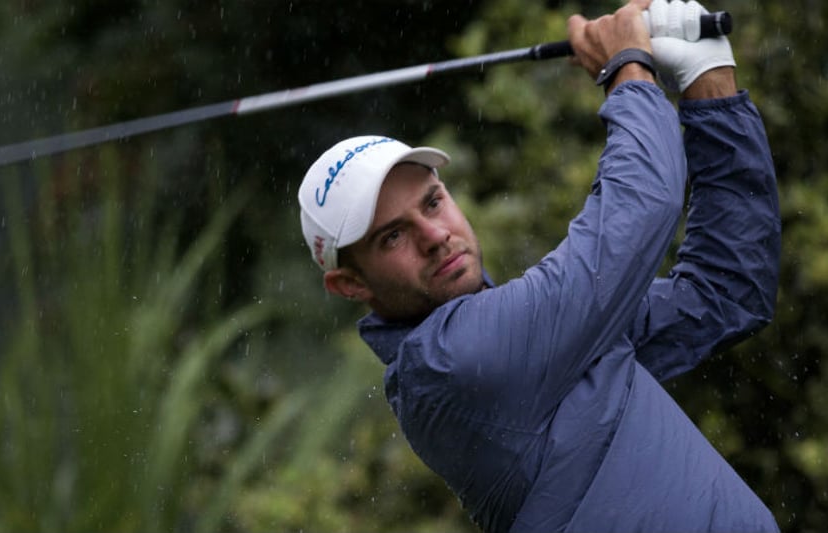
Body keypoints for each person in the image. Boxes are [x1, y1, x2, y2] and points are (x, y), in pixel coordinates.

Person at [295, 0, 781, 531]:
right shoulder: (454, 363)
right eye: (393, 236)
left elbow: (725, 294)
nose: (434, 236)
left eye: (433, 203)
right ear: (348, 283)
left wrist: (709, 84)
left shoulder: (555, 339)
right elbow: (644, 207)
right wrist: (627, 69)